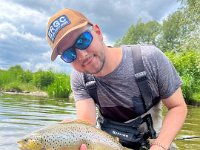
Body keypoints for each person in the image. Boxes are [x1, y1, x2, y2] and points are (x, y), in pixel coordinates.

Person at [46, 8, 187, 150]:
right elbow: (87, 126)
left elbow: (177, 107)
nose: (81, 55)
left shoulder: (149, 59)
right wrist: (73, 132)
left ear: (98, 32)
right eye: (69, 54)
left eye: (83, 40)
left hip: (156, 143)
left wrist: (160, 145)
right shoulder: (80, 78)